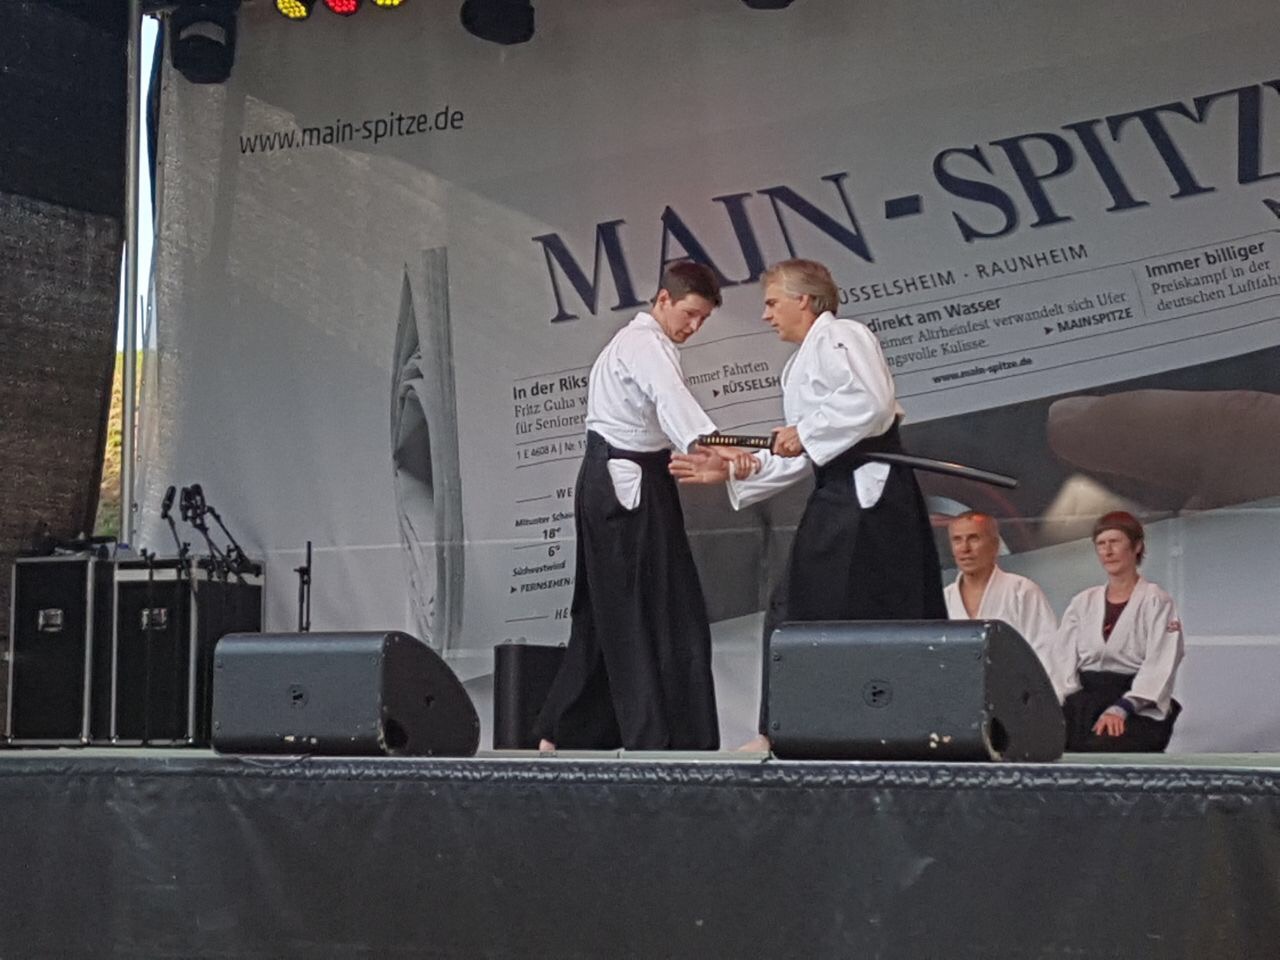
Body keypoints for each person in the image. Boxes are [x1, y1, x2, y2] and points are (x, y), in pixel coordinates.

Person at [670, 258, 946, 750]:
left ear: (803, 299)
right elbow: (801, 452)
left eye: (772, 303)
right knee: (812, 607)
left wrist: (806, 432)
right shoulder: (800, 363)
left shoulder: (843, 336)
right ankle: (800, 729)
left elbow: (872, 404)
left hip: (871, 496)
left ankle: (807, 729)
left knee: (841, 607)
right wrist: (734, 469)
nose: (766, 315)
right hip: (840, 489)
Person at [533, 260, 755, 752]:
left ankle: (561, 732)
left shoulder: (644, 344)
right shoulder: (642, 343)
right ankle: (657, 740)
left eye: (703, 320)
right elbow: (669, 396)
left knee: (608, 612)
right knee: (653, 612)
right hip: (624, 487)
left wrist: (719, 446)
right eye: (690, 313)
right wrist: (716, 445)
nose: (694, 327)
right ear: (663, 299)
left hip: (630, 480)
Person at [1048, 511, 1185, 752]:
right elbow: (1062, 660)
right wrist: (1061, 704)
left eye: (1115, 542)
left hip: (1134, 702)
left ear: (1137, 546)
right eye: (1101, 544)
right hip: (1085, 699)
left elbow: (1162, 661)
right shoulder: (1083, 602)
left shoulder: (1156, 600)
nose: (1108, 551)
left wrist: (1123, 707)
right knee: (1051, 744)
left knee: (1105, 747)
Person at [945, 511, 1059, 685]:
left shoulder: (1022, 592)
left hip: (1016, 693)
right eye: (957, 540)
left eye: (974, 538)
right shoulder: (945, 598)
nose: (964, 548)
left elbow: (1047, 655)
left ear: (995, 545)